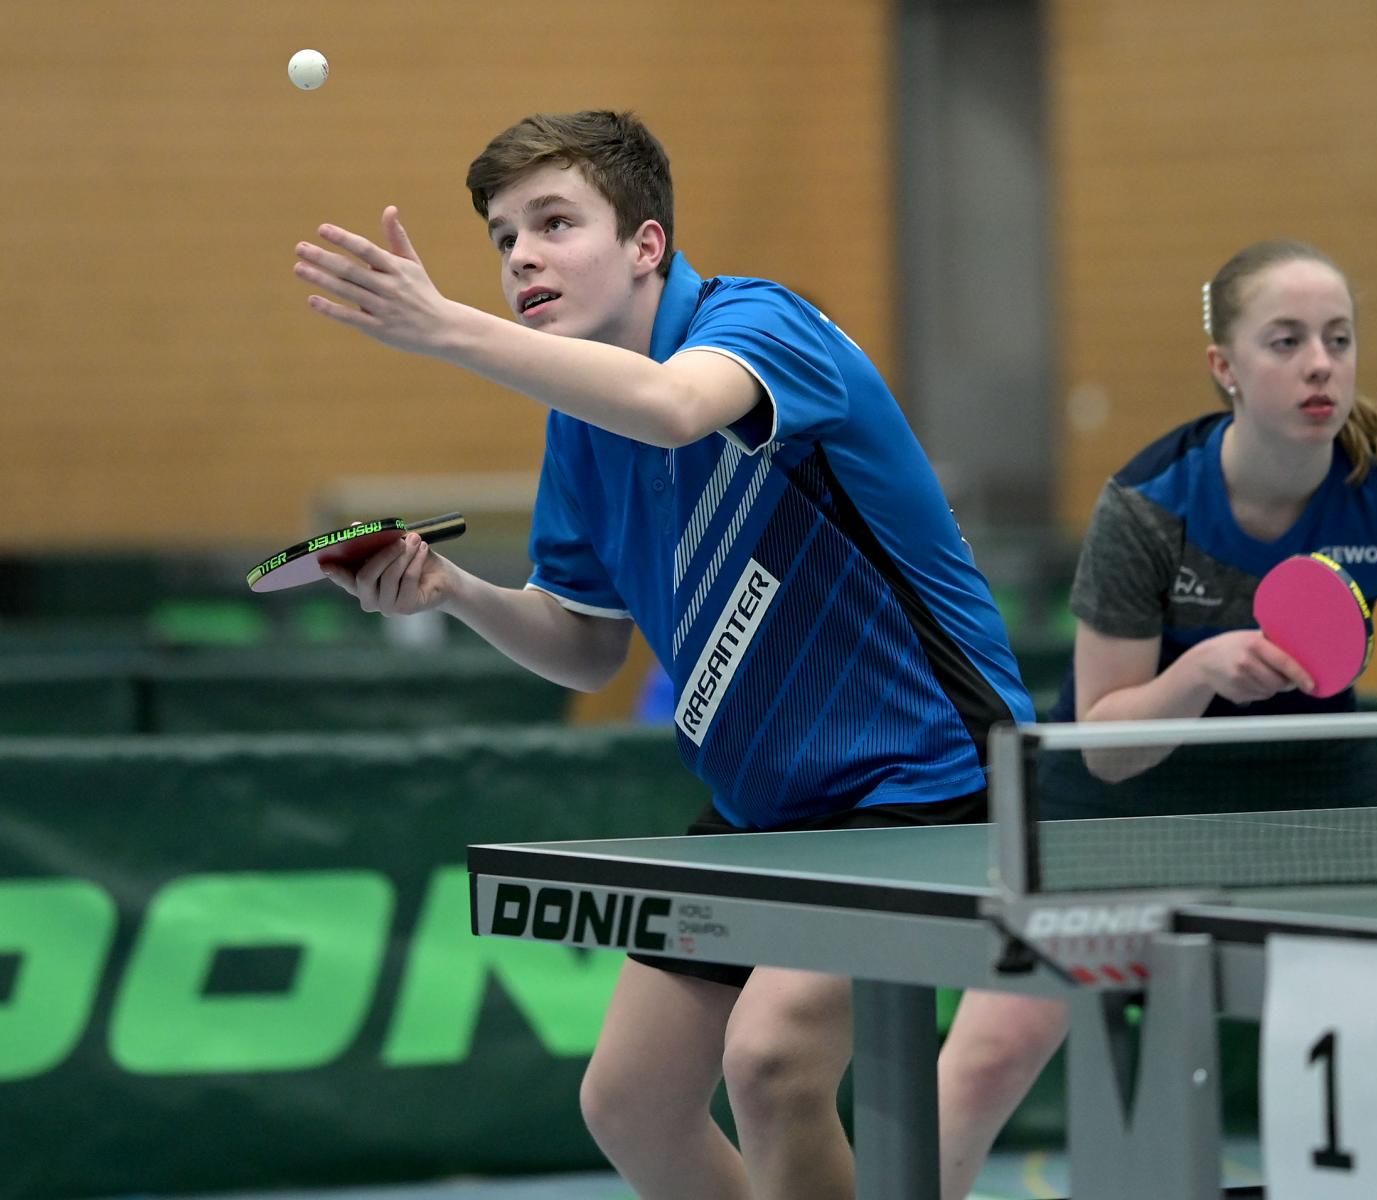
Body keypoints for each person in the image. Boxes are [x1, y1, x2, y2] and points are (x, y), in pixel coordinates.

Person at [290, 109, 1035, 1200]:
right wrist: (454, 591)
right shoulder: (580, 419)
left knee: (772, 1059)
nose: (521, 256)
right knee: (630, 1100)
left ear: (647, 244)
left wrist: (446, 329)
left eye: (554, 222)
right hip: (770, 803)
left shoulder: (764, 327)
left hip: (929, 778)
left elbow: (679, 409)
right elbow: (588, 647)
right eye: (503, 237)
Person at [936, 239, 1377, 1197]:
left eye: (1338, 339)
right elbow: (1107, 745)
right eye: (1286, 341)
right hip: (1114, 803)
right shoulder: (1149, 507)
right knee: (992, 1051)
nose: (1320, 364)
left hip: (1310, 783)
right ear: (1226, 366)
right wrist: (1200, 670)